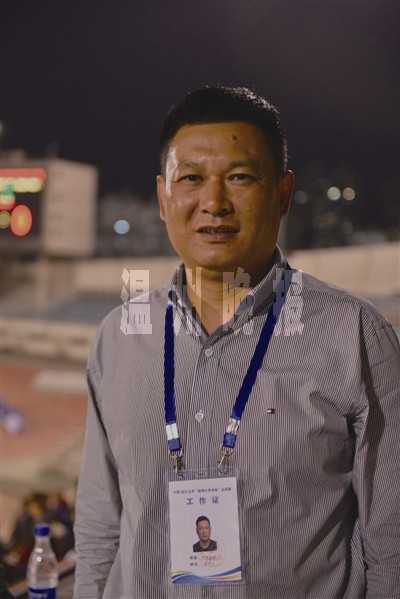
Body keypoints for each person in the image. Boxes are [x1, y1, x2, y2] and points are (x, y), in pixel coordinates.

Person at [73, 86, 400, 598]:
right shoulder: (118, 338)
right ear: (163, 198)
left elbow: (391, 548)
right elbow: (100, 531)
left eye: (240, 177)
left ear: (283, 194)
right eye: (191, 178)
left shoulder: (356, 335)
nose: (213, 203)